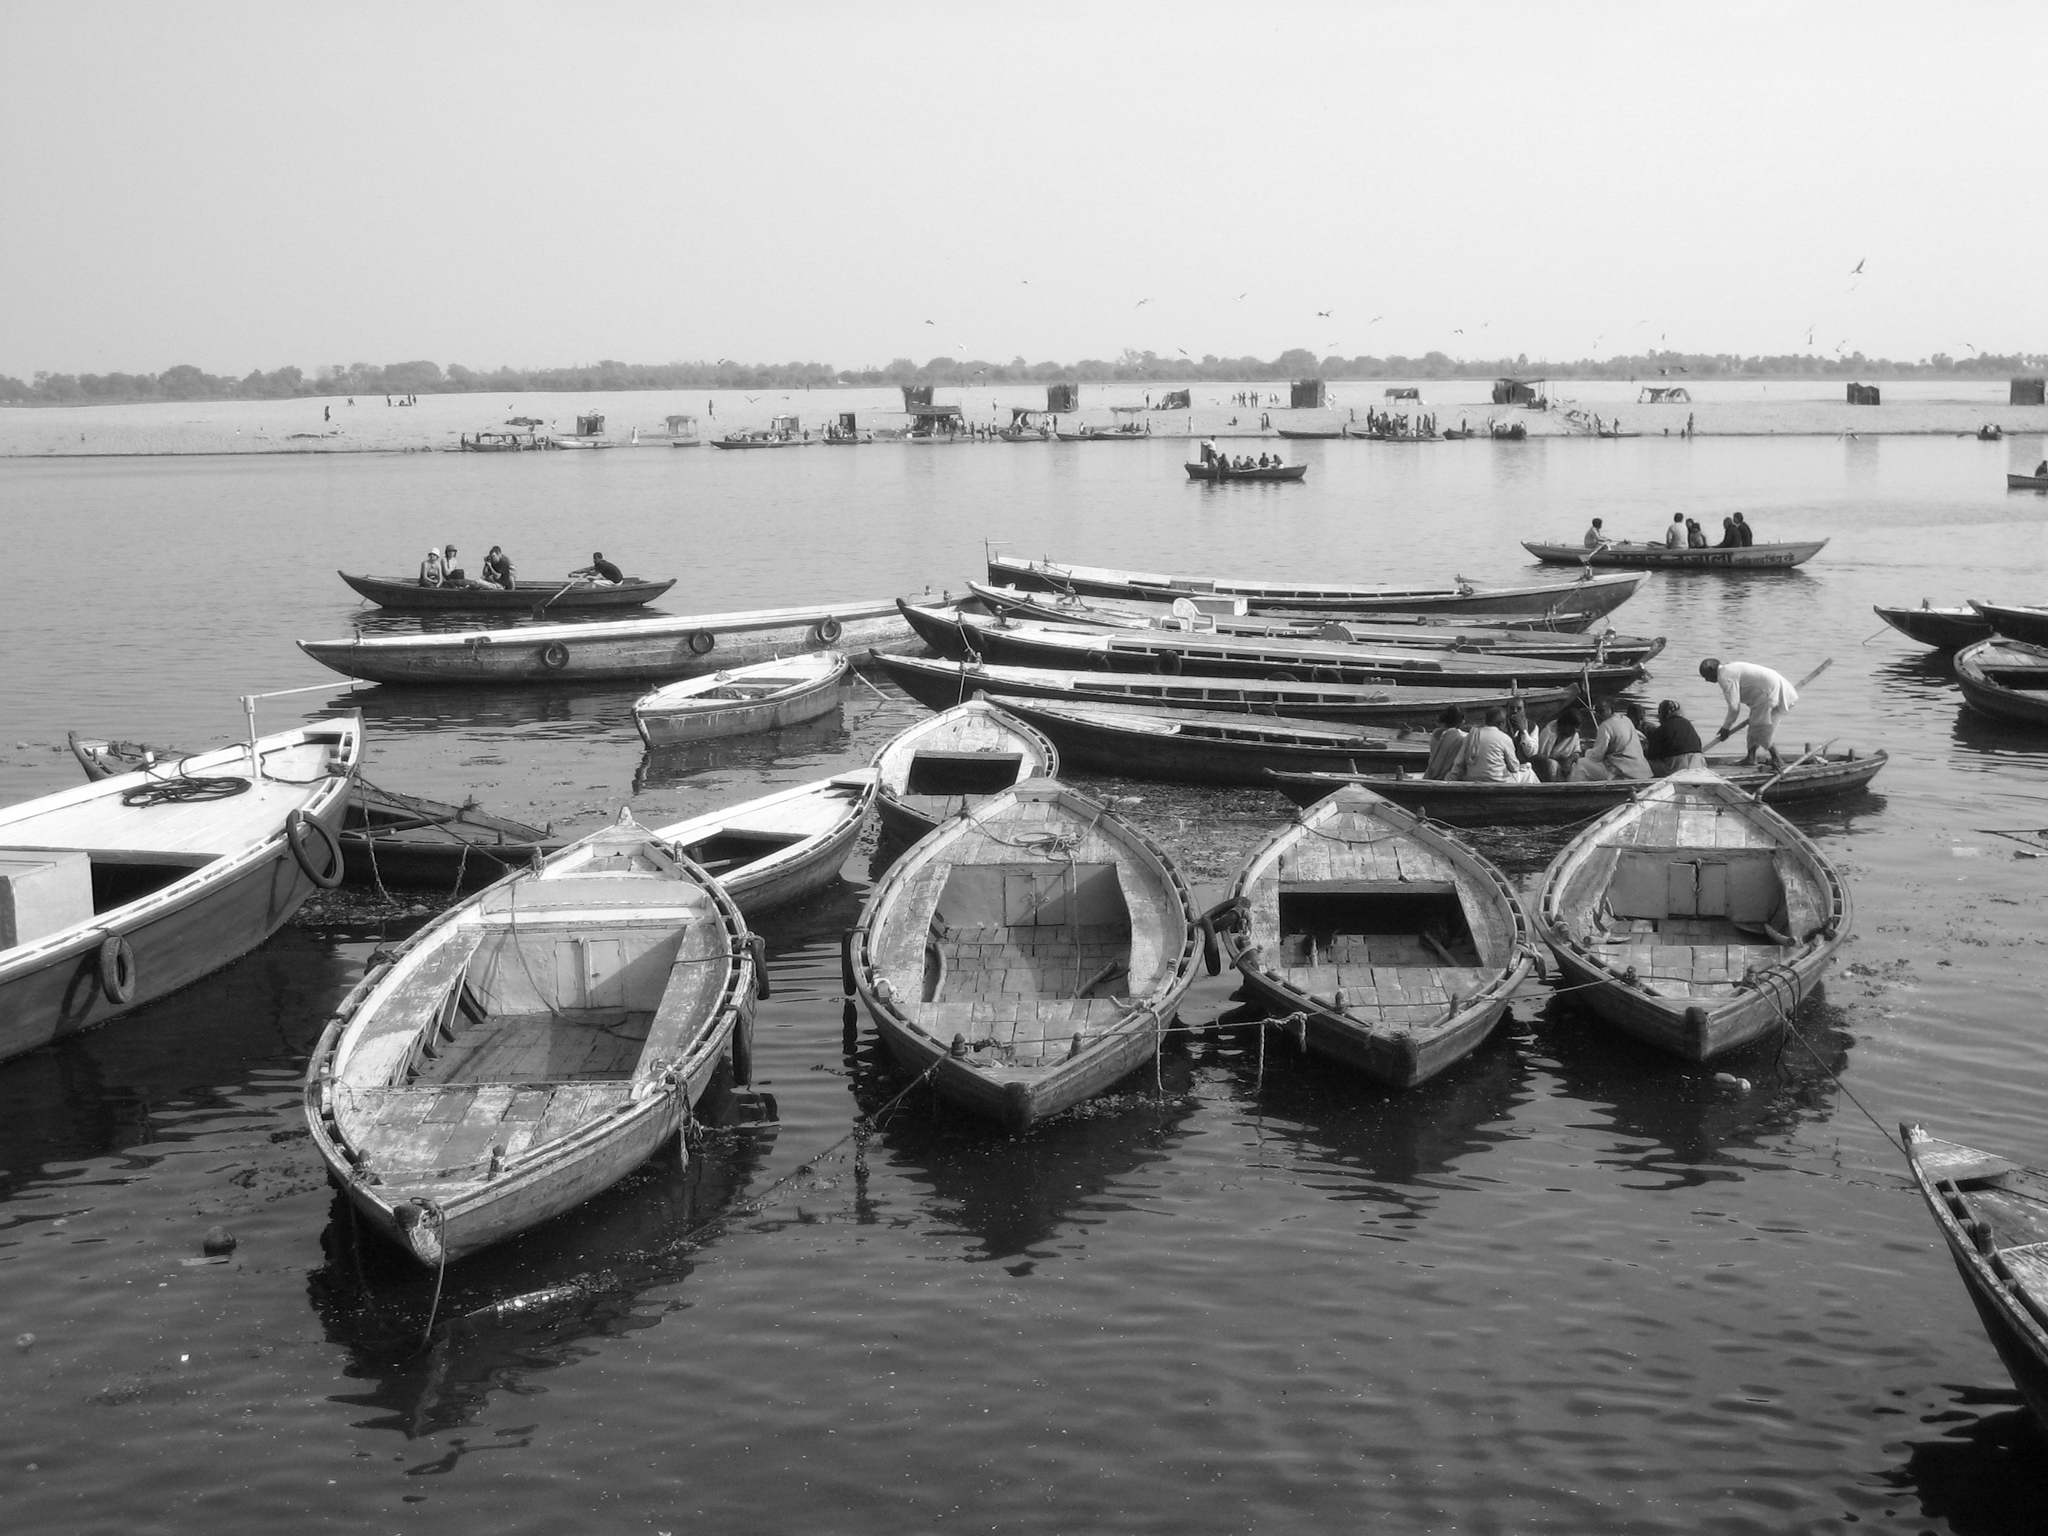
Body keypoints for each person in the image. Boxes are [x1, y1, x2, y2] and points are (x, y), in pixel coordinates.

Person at [1700, 657, 1798, 768]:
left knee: (1760, 728)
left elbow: (1734, 707)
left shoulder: (1725, 677)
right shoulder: (1729, 670)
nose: (1707, 680)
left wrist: (1725, 728)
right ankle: (1751, 757)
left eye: (1706, 676)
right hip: (1774, 692)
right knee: (1755, 726)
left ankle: (1777, 758)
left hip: (1769, 694)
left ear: (1712, 672)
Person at [1569, 697, 1652, 781]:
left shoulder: (1605, 726)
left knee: (1581, 763)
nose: (1598, 715)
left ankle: (1577, 792)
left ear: (1612, 709)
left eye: (1602, 711)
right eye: (1596, 712)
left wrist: (1585, 752)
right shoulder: (1626, 720)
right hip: (1642, 771)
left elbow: (1596, 756)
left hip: (1623, 773)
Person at [1458, 706, 1538, 784]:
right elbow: (1514, 768)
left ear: (1485, 721)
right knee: (1528, 772)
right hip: (1498, 782)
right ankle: (1541, 796)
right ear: (1503, 723)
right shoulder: (1504, 738)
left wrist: (1449, 780)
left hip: (1472, 780)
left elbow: (1458, 762)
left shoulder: (1471, 736)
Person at [1643, 699, 1707, 774]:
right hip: (1698, 763)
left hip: (1677, 767)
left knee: (1645, 764)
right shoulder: (1687, 724)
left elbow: (1652, 755)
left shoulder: (1663, 729)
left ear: (1662, 715)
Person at [1530, 704, 1587, 782]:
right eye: (1575, 727)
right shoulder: (1548, 732)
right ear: (1566, 724)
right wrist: (1556, 758)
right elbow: (1537, 756)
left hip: (1565, 766)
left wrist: (1569, 760)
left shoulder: (1575, 736)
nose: (1577, 731)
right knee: (1553, 764)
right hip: (1544, 766)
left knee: (1576, 767)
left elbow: (1577, 752)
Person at [1424, 707, 1468, 780]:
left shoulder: (1435, 733)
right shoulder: (1461, 737)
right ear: (1460, 721)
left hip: (1430, 774)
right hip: (1446, 778)